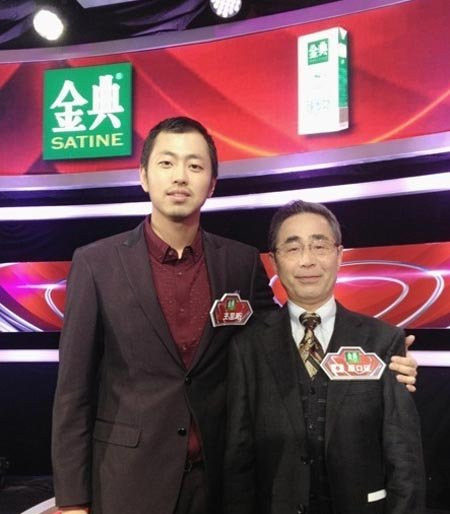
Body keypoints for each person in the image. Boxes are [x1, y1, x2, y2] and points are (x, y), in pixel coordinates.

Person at [52, 118, 418, 514]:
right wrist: (73, 500)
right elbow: (73, 390)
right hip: (128, 478)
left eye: (195, 165)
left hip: (219, 481)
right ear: (143, 175)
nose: (180, 177)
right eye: (166, 163)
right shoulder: (96, 263)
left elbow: (283, 335)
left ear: (211, 183)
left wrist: (377, 361)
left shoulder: (239, 263)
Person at [224, 200, 426, 514]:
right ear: (274, 261)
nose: (308, 261)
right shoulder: (247, 347)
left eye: (319, 246)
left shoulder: (384, 341)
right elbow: (238, 459)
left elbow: (405, 462)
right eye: (293, 248)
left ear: (339, 255)